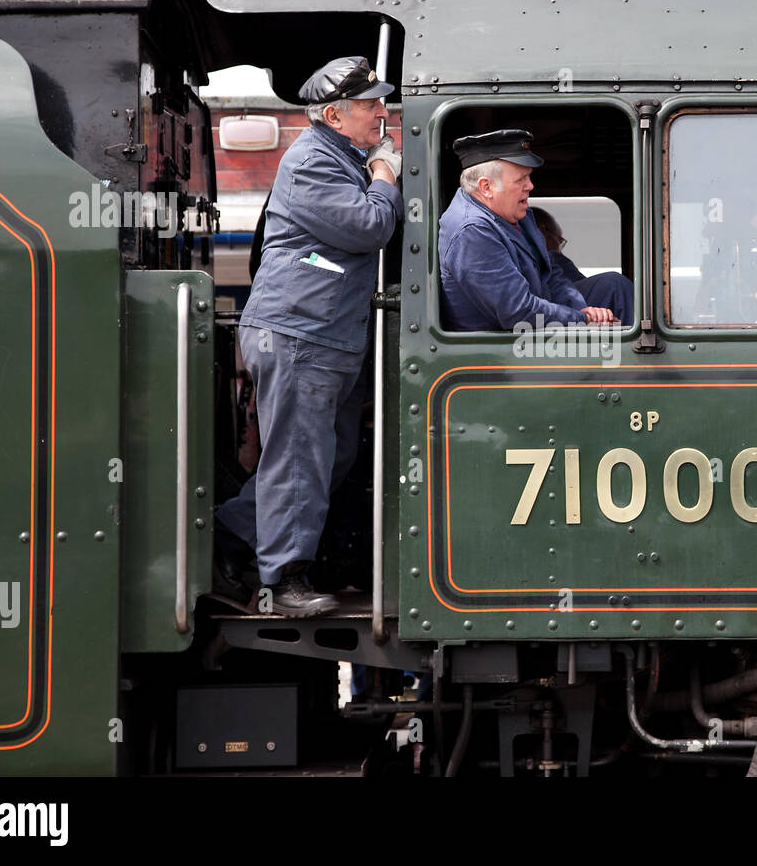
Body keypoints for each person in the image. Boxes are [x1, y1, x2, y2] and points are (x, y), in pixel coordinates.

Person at [215, 55, 403, 617]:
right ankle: (280, 584)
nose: (381, 113)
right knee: (299, 461)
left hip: (326, 337)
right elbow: (369, 225)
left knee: (328, 457)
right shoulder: (311, 162)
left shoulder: (342, 157)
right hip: (301, 332)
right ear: (333, 115)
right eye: (369, 105)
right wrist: (385, 174)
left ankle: (225, 539)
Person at [438, 129, 620, 331]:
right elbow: (518, 312)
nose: (530, 186)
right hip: (499, 352)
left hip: (529, 334)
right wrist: (582, 320)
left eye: (529, 177)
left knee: (614, 285)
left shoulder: (515, 214)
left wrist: (583, 309)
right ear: (486, 187)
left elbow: (549, 274)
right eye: (520, 180)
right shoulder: (472, 232)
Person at [529, 206, 633, 325]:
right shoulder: (552, 258)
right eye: (559, 240)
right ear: (542, 233)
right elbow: (570, 293)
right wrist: (586, 315)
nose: (559, 247)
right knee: (615, 283)